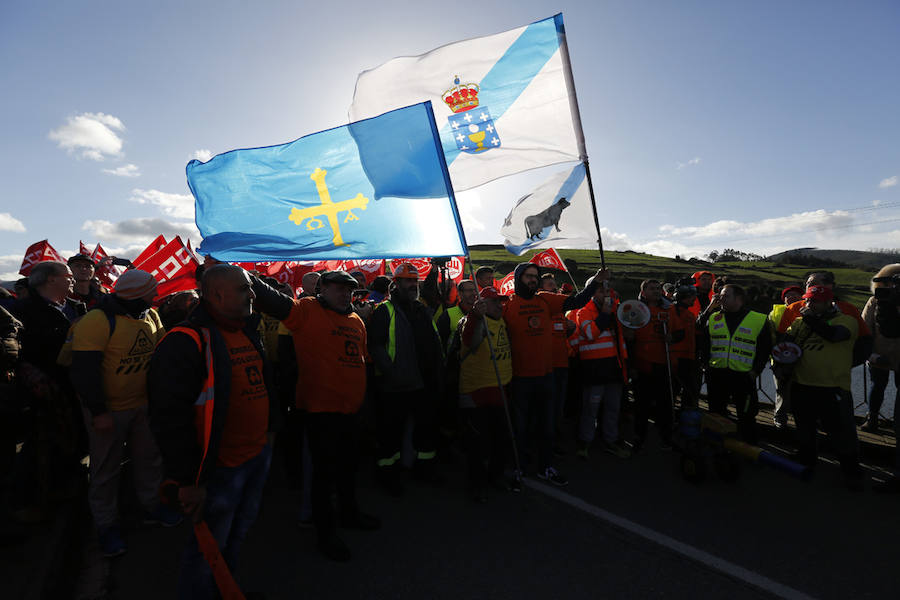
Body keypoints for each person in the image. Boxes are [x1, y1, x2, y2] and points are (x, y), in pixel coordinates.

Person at [149, 265, 280, 599]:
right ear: (217, 294)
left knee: (236, 536)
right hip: (219, 470)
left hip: (255, 457)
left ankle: (223, 587)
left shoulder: (246, 328)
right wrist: (187, 480)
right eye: (244, 289)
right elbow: (170, 420)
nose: (253, 295)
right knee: (207, 551)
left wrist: (269, 435)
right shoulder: (184, 341)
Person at [251, 270, 379, 561]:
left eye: (349, 289)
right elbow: (271, 300)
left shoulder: (356, 320)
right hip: (320, 411)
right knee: (324, 476)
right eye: (337, 288)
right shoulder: (306, 310)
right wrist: (239, 273)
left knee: (348, 469)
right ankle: (326, 533)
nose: (344, 293)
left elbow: (361, 362)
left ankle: (349, 514)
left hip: (350, 410)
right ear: (322, 289)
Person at [69, 269, 180, 557]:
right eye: (151, 289)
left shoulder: (151, 315)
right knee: (105, 469)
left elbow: (160, 356)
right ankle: (106, 526)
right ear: (136, 292)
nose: (156, 294)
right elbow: (84, 371)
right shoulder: (96, 321)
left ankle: (152, 506)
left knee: (149, 460)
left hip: (143, 406)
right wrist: (99, 412)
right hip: (109, 411)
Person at [502, 262, 604, 487]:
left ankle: (545, 467)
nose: (532, 280)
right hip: (520, 378)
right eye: (528, 276)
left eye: (534, 276)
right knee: (521, 427)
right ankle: (519, 466)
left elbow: (577, 301)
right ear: (519, 279)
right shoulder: (507, 306)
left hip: (546, 376)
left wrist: (595, 281)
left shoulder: (546, 300)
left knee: (547, 426)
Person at [13, 261, 85, 515]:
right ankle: (33, 503)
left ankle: (67, 490)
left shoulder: (78, 308)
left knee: (74, 438)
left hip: (74, 386)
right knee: (41, 445)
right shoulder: (20, 311)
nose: (73, 279)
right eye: (68, 275)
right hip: (41, 390)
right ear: (50, 280)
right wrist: (26, 370)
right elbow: (13, 349)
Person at [368, 263, 445, 494]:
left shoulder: (421, 310)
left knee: (425, 432)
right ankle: (388, 476)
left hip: (424, 384)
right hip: (395, 387)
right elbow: (376, 346)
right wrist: (393, 373)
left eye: (415, 281)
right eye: (408, 281)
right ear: (396, 283)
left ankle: (424, 470)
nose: (413, 285)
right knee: (390, 435)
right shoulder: (385, 310)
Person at [784, 285, 863, 490]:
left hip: (832, 387)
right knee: (805, 429)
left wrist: (810, 319)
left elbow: (833, 335)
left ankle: (851, 471)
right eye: (808, 300)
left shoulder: (846, 321)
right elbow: (786, 344)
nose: (809, 304)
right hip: (802, 384)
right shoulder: (799, 322)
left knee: (840, 433)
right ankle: (807, 460)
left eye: (815, 301)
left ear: (830, 303)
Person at [458, 287, 513, 502]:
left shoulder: (502, 321)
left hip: (500, 390)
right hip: (477, 393)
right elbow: (469, 342)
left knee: (501, 440)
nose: (500, 305)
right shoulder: (471, 320)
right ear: (482, 304)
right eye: (494, 302)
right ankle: (476, 485)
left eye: (501, 302)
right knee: (478, 444)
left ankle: (495, 476)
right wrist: (475, 316)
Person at [702, 284, 772, 444]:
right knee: (716, 412)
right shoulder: (713, 317)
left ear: (739, 299)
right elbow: (705, 343)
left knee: (746, 415)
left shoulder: (758, 319)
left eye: (726, 295)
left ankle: (749, 448)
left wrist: (755, 371)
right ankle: (716, 444)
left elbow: (764, 349)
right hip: (717, 374)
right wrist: (705, 364)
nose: (720, 298)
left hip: (744, 376)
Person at [573, 279, 630, 459]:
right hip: (594, 369)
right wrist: (605, 313)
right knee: (591, 409)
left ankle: (610, 441)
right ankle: (585, 442)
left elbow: (623, 339)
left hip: (614, 368)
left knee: (613, 408)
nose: (605, 294)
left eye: (606, 290)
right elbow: (591, 334)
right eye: (600, 291)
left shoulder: (615, 310)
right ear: (591, 293)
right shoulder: (583, 312)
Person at [629, 279, 682, 451]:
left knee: (665, 404)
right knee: (641, 404)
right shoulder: (635, 309)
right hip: (642, 364)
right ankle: (639, 436)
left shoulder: (669, 308)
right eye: (652, 289)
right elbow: (628, 339)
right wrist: (631, 366)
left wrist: (672, 338)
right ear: (643, 292)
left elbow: (680, 332)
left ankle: (666, 437)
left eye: (658, 288)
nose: (657, 291)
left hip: (664, 364)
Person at [769, 286, 804, 428]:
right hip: (780, 358)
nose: (792, 297)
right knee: (781, 389)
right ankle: (780, 416)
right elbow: (770, 334)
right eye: (788, 295)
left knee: (803, 391)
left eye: (796, 294)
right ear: (783, 299)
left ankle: (804, 420)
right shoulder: (775, 313)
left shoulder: (808, 311)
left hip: (804, 359)